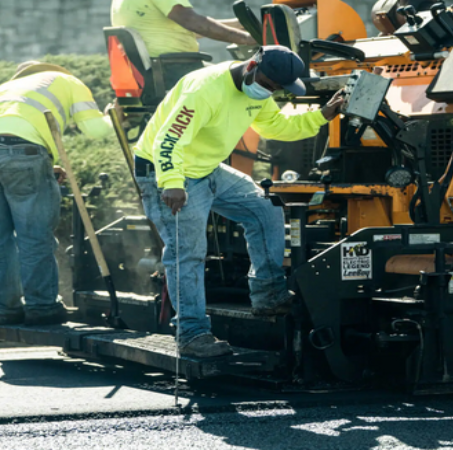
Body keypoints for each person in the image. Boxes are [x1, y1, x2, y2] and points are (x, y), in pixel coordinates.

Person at [133, 46, 344, 358]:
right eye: (269, 84)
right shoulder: (204, 89)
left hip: (206, 168)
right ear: (251, 65)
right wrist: (173, 183)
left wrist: (322, 115)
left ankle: (268, 294)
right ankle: (191, 335)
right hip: (167, 171)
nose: (270, 92)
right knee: (187, 254)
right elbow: (169, 140)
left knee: (265, 209)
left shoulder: (257, 90)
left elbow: (276, 127)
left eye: (276, 89)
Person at [0, 61, 116, 326]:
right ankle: (42, 307)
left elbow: (1, 138)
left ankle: (5, 309)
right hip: (22, 150)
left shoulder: (7, 88)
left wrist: (43, 164)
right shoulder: (68, 81)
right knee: (33, 235)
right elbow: (96, 131)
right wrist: (116, 118)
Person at [111, 0, 258, 86]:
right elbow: (193, 22)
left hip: (153, 71)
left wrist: (237, 25)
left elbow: (189, 30)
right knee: (245, 84)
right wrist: (247, 39)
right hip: (173, 69)